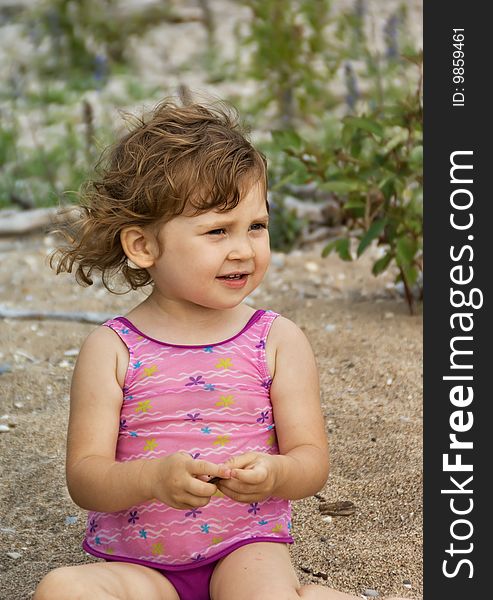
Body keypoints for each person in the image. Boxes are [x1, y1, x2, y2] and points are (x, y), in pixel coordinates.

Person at [34, 99, 406, 600]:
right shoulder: (112, 348)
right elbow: (86, 479)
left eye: (256, 226)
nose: (243, 249)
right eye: (217, 231)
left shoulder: (275, 340)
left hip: (246, 550)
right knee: (62, 589)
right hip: (142, 567)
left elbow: (311, 461)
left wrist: (275, 473)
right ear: (143, 246)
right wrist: (152, 478)